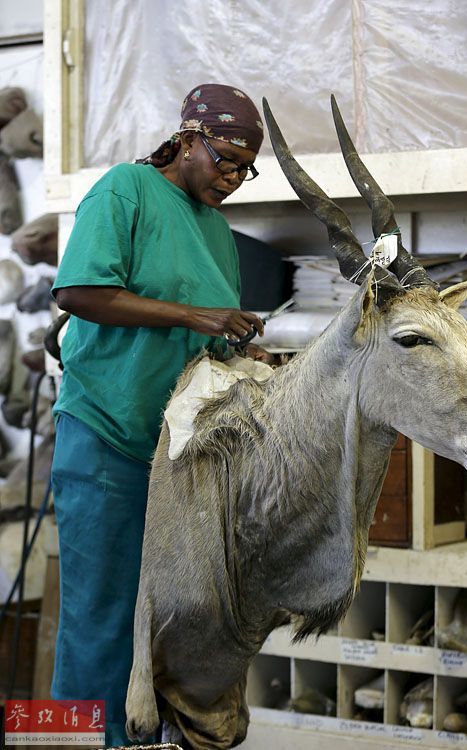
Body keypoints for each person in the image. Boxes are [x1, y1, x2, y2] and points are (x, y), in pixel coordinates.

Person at [50, 83, 271, 747]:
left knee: (165, 616)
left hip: (173, 451)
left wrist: (234, 343)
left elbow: (198, 339)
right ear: (186, 141)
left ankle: (138, 738)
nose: (231, 178)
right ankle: (81, 742)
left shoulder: (217, 235)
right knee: (99, 614)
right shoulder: (128, 190)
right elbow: (80, 291)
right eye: (225, 159)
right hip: (105, 434)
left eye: (243, 168)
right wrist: (193, 315)